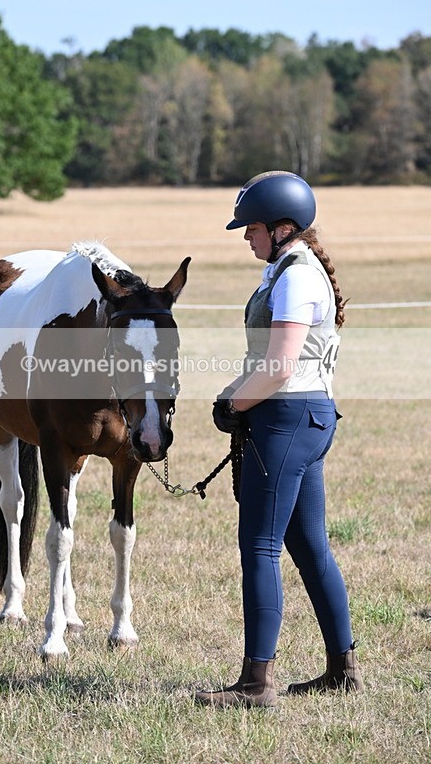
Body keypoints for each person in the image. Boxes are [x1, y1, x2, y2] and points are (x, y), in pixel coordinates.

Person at [195, 171, 363, 709]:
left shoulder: (295, 276)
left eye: (252, 227)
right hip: (305, 417)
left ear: (281, 226)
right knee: (310, 546)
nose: (246, 236)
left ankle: (256, 683)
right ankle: (343, 669)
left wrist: (232, 403)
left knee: (260, 546)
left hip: (286, 418)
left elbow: (279, 366)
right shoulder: (293, 269)